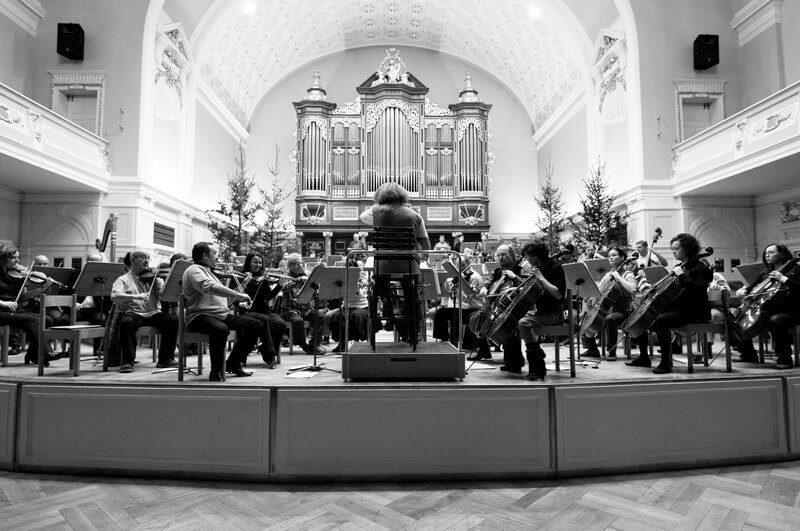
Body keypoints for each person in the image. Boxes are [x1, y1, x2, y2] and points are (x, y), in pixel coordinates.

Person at [626, 233, 713, 374]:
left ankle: (665, 362)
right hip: (680, 309)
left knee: (661, 320)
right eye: (672, 249)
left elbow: (699, 288)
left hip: (695, 311)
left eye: (676, 249)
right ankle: (644, 357)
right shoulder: (680, 266)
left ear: (687, 249)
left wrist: (682, 275)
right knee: (644, 316)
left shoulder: (700, 268)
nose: (673, 252)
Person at [359, 182, 431, 343]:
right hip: (409, 267)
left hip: (383, 267)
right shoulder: (414, 215)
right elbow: (425, 245)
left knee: (378, 285)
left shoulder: (376, 211)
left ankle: (387, 307)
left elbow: (362, 218)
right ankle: (413, 334)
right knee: (411, 295)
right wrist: (421, 257)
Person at [182, 242, 261, 382]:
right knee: (220, 330)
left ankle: (233, 363)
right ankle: (216, 371)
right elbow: (209, 287)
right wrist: (239, 295)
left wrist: (242, 286)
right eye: (214, 254)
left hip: (219, 315)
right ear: (205, 256)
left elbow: (226, 301)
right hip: (199, 316)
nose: (217, 257)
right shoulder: (194, 270)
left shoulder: (210, 273)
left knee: (255, 325)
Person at [110, 251, 178, 373]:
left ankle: (165, 359)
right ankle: (127, 362)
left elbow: (163, 297)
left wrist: (160, 286)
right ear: (133, 260)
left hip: (153, 313)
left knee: (174, 321)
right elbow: (114, 296)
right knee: (126, 322)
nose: (147, 261)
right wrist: (135, 297)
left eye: (148, 258)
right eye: (143, 258)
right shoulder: (123, 279)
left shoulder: (154, 279)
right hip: (133, 313)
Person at [734, 243, 800, 368]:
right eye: (766, 253)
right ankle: (748, 354)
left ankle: (785, 359)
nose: (767, 255)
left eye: (772, 252)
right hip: (770, 308)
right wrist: (744, 290)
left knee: (775, 320)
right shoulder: (765, 272)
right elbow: (752, 288)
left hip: (792, 310)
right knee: (737, 318)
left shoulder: (796, 269)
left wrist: (784, 279)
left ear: (782, 254)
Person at [581, 247, 643, 362]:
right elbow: (599, 290)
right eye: (609, 256)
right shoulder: (608, 275)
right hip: (608, 309)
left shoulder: (627, 273)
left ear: (622, 258)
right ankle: (592, 349)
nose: (611, 257)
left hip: (625, 310)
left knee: (610, 319)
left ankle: (611, 351)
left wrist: (618, 277)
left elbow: (633, 289)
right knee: (585, 316)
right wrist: (590, 297)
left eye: (614, 255)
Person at [517, 242, 567, 381]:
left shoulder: (555, 268)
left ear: (535, 256)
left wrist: (541, 278)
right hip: (541, 313)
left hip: (555, 314)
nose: (527, 260)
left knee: (524, 323)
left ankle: (536, 365)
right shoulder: (539, 268)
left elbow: (558, 295)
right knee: (516, 319)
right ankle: (523, 361)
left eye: (528, 256)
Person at [0, 243, 54, 365]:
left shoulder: (17, 274)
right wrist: (4, 303)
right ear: (3, 258)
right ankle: (46, 353)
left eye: (18, 257)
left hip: (14, 310)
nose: (18, 261)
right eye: (13, 258)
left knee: (48, 319)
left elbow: (24, 297)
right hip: (2, 311)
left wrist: (43, 288)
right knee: (34, 321)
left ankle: (32, 354)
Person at [241, 253, 287, 368]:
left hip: (263, 310)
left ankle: (265, 348)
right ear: (248, 263)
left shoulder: (263, 279)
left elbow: (268, 296)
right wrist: (246, 283)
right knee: (265, 320)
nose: (258, 265)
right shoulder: (241, 277)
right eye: (255, 262)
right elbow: (235, 295)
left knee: (280, 323)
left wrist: (279, 285)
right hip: (248, 311)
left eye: (260, 263)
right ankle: (269, 356)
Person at [279, 253, 326, 355]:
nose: (300, 266)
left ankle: (314, 345)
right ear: (290, 265)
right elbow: (284, 288)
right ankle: (304, 345)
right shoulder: (284, 276)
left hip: (305, 309)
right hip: (289, 310)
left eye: (300, 263)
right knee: (298, 321)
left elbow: (314, 293)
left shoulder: (306, 275)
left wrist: (312, 286)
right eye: (297, 264)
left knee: (320, 318)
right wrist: (297, 281)